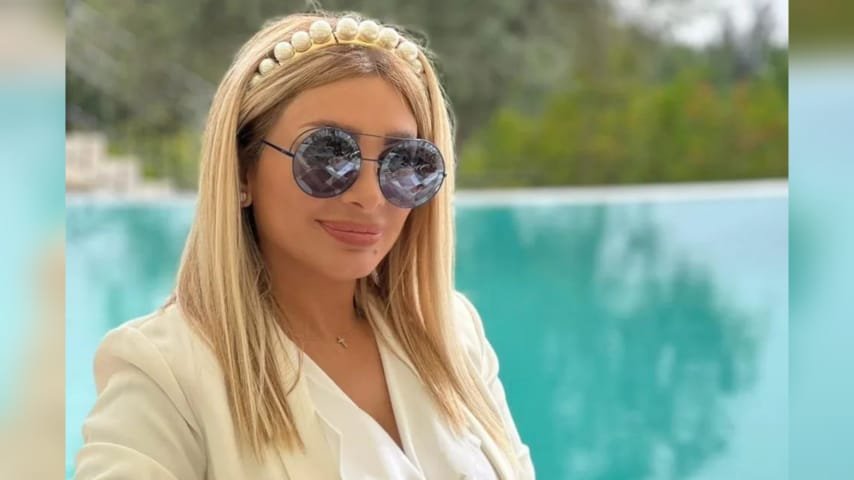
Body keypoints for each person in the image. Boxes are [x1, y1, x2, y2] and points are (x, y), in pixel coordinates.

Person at [75, 10, 535, 480]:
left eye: (404, 163)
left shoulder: (453, 333)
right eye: (328, 156)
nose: (370, 196)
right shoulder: (164, 372)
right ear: (242, 171)